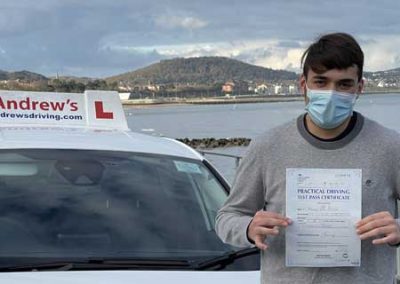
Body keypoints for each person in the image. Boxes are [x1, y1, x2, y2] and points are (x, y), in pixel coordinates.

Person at [215, 32, 400, 283]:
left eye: (344, 84)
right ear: (303, 85)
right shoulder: (267, 146)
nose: (331, 92)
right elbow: (227, 217)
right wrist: (248, 229)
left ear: (360, 87)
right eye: (321, 82)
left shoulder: (390, 146)